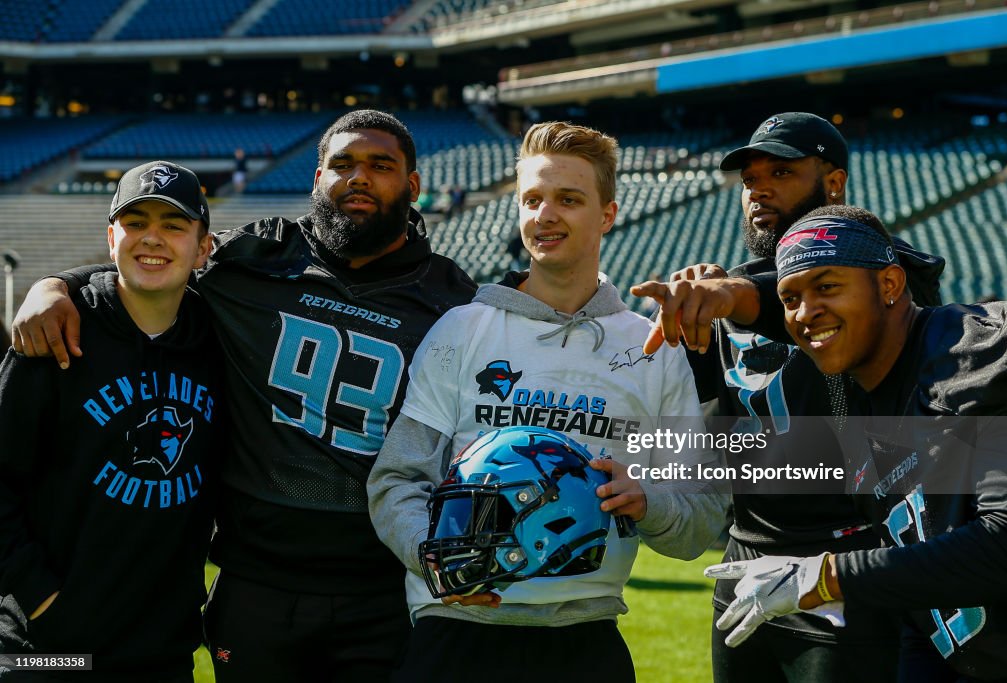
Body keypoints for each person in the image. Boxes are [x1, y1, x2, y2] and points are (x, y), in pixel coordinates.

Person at [10, 111, 477, 683]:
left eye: (381, 166)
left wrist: (628, 460)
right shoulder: (254, 258)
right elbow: (155, 258)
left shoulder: (457, 302)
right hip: (253, 586)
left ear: (413, 186)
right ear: (316, 178)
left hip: (380, 590)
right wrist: (56, 284)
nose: (360, 178)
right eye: (343, 164)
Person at [368, 121, 729, 682]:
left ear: (607, 215)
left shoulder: (652, 348)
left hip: (583, 642)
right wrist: (439, 565)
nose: (545, 216)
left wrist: (646, 502)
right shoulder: (463, 329)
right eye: (532, 199)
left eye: (568, 199)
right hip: (456, 629)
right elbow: (396, 480)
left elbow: (701, 519)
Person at [632, 113, 946, 682]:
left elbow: (780, 304)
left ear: (833, 182)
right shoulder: (721, 294)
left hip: (845, 563)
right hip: (743, 561)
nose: (759, 190)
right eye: (750, 179)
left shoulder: (883, 274)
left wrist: (734, 294)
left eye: (781, 171)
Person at [707, 204, 1007, 682]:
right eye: (790, 298)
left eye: (827, 287)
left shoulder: (970, 350)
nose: (805, 313)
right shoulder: (853, 412)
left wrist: (829, 577)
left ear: (890, 285)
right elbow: (925, 606)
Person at [0, 161, 221, 682]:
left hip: (160, 654)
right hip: (43, 649)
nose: (152, 238)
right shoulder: (53, 335)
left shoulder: (221, 344)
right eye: (136, 221)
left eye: (173, 225)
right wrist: (41, 597)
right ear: (110, 236)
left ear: (203, 246)